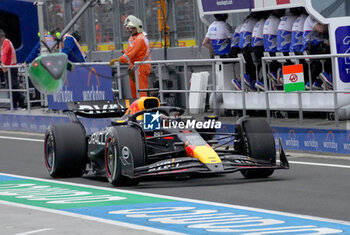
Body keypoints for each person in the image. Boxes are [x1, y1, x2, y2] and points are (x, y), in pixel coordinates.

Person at [109, 16, 151, 98]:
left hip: (141, 66)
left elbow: (131, 53)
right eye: (129, 28)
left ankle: (143, 107)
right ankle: (136, 106)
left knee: (141, 89)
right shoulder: (133, 38)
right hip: (134, 66)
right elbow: (130, 50)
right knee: (134, 89)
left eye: (132, 28)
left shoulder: (140, 39)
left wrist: (119, 60)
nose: (130, 30)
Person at [302, 15, 329, 89]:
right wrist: (330, 23)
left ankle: (316, 81)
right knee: (325, 57)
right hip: (308, 47)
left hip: (292, 48)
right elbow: (321, 29)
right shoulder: (311, 17)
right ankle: (313, 82)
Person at [0, 29, 24, 109]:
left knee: (13, 86)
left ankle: (19, 103)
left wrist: (2, 63)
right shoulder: (3, 44)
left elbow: (5, 54)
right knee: (10, 87)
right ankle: (14, 104)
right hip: (7, 68)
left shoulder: (6, 42)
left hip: (11, 67)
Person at [238, 14, 258, 91]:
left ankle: (245, 78)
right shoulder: (257, 21)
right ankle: (294, 88)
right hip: (247, 49)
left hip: (240, 49)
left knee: (251, 63)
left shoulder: (244, 23)